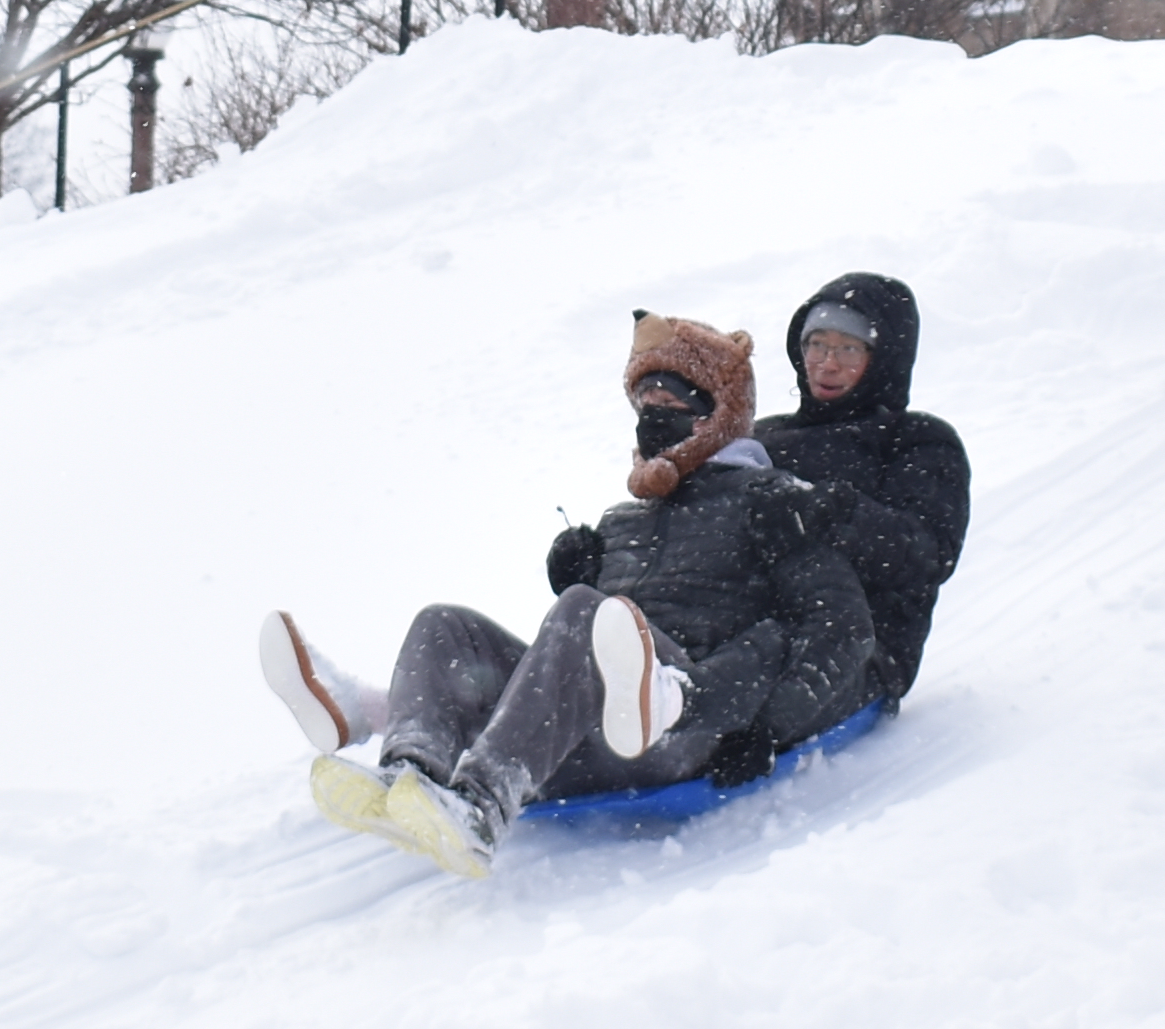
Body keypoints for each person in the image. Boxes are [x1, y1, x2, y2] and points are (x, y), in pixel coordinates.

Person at [259, 312, 884, 880]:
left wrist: (767, 728)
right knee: (447, 625)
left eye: (674, 403)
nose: (653, 416)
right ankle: (410, 771)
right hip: (594, 732)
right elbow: (576, 666)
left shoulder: (772, 504)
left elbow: (841, 631)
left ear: (714, 415)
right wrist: (588, 571)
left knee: (587, 612)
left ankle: (479, 804)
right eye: (646, 402)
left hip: (685, 726)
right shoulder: (624, 520)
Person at [744, 274, 966, 715]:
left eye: (848, 349)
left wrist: (838, 514)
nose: (827, 364)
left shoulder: (916, 441)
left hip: (855, 647)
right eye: (817, 345)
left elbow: (927, 554)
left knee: (740, 671)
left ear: (884, 359)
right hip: (739, 622)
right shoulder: (762, 437)